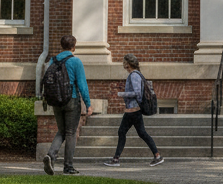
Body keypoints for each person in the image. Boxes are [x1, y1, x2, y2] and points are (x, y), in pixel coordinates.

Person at [102, 54, 164, 167]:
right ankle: (157, 156)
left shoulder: (134, 75)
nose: (123, 64)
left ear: (128, 64)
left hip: (133, 110)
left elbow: (138, 93)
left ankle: (116, 159)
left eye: (124, 62)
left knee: (123, 132)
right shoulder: (136, 74)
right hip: (134, 109)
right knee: (141, 133)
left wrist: (121, 94)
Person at [43, 34, 92, 175]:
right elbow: (82, 85)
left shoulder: (52, 60)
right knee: (70, 133)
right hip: (71, 100)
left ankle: (51, 156)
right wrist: (88, 104)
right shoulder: (75, 62)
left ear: (61, 45)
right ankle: (68, 166)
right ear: (74, 46)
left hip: (56, 100)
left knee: (62, 130)